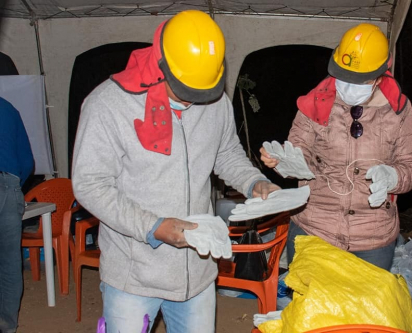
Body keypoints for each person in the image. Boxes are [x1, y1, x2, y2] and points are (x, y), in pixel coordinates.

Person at [71, 10, 280, 333]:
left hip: (196, 270)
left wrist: (255, 182)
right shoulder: (109, 105)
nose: (194, 102)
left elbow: (225, 153)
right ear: (161, 65)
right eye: (185, 91)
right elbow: (90, 185)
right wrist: (153, 227)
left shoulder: (215, 102)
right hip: (134, 274)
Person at [260, 23, 412, 271]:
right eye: (344, 75)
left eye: (360, 79)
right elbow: (299, 147)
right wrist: (285, 161)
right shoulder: (316, 101)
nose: (348, 84)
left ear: (380, 75)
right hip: (314, 228)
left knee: (363, 309)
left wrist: (394, 177)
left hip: (373, 237)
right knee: (310, 308)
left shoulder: (398, 110)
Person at [0, 96, 34, 333]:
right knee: (10, 263)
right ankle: (7, 326)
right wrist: (12, 187)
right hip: (10, 185)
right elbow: (27, 161)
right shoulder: (9, 108)